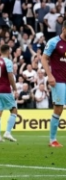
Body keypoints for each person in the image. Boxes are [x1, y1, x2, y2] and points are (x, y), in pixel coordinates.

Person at [42, 17, 66, 148]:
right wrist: (50, 76)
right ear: (63, 29)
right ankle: (52, 140)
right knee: (58, 108)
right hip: (58, 80)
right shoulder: (54, 42)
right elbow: (44, 59)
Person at [0, 44, 19, 143]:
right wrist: (15, 89)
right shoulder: (7, 62)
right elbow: (10, 76)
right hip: (5, 89)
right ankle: (7, 132)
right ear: (8, 51)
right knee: (14, 111)